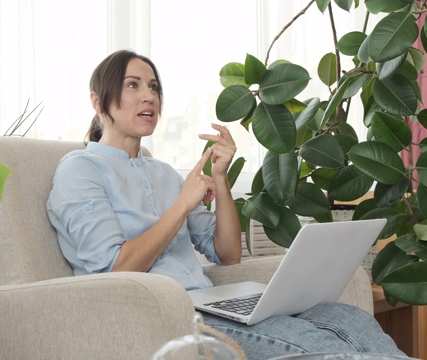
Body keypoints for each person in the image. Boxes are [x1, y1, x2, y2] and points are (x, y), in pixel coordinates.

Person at [46, 49, 407, 360]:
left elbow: (228, 254)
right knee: (310, 342)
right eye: (133, 85)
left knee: (346, 317)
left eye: (154, 87)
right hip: (159, 313)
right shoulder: (80, 170)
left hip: (208, 301)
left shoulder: (165, 174)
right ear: (98, 101)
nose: (149, 97)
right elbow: (116, 270)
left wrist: (220, 178)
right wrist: (182, 206)